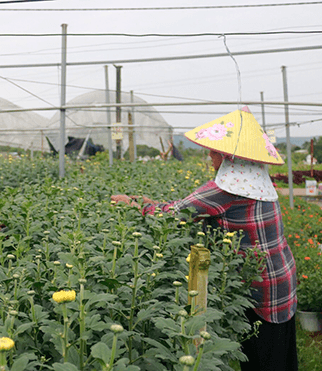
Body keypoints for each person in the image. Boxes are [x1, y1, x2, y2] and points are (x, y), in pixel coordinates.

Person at [112, 108, 297, 371]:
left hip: (261, 286)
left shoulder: (224, 189)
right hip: (282, 276)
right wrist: (154, 203)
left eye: (214, 151)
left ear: (228, 156)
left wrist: (134, 205)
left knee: (263, 360)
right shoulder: (256, 179)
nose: (209, 156)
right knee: (281, 355)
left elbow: (174, 215)